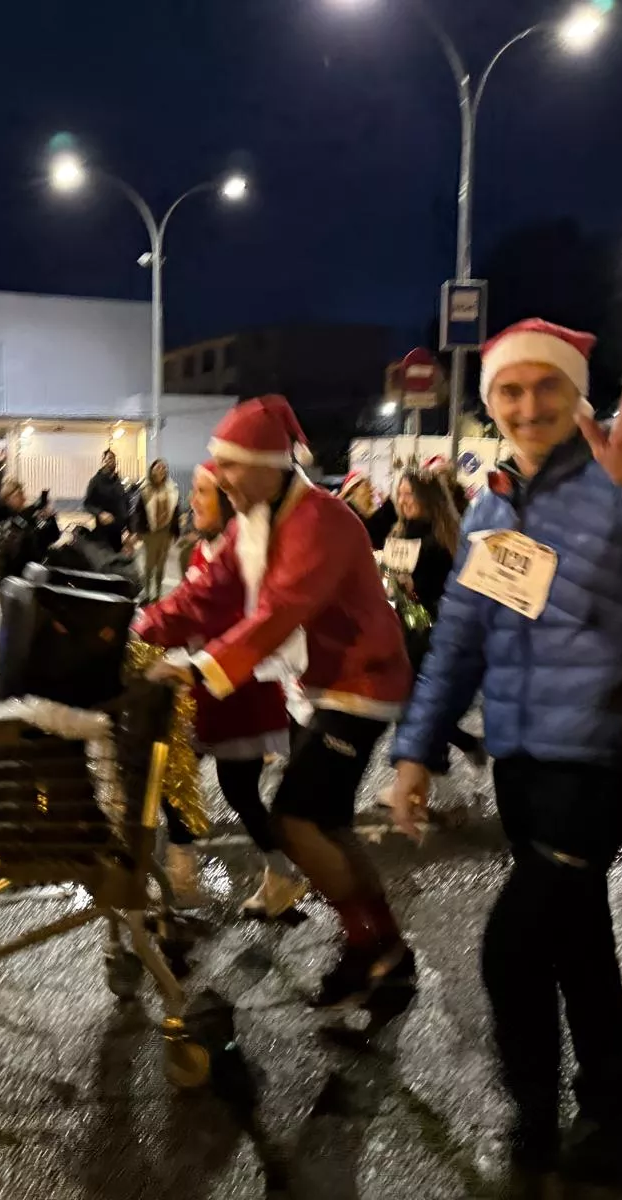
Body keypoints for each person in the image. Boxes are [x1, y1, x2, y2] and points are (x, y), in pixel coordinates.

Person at [387, 321, 622, 1195]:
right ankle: (608, 1123)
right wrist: (416, 749)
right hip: (524, 756)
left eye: (547, 386)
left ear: (577, 394)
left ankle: (533, 1116)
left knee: (512, 945)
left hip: (608, 751)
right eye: (510, 390)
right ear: (489, 403)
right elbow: (460, 641)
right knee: (576, 939)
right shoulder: (494, 505)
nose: (528, 405)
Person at [145, 395, 414, 1007]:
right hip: (326, 684)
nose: (219, 480)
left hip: (363, 684)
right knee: (326, 823)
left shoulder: (318, 519)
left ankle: (370, 947)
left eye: (230, 467)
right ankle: (384, 950)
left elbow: (279, 611)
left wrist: (196, 667)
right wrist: (137, 629)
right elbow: (206, 592)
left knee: (297, 820)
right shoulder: (256, 519)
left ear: (269, 465)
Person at [134, 461, 306, 919]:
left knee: (230, 789)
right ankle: (192, 876)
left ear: (229, 501)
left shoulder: (243, 556)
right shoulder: (203, 551)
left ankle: (196, 877)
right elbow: (187, 609)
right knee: (193, 781)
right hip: (204, 690)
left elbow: (205, 614)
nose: (192, 500)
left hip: (236, 694)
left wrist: (141, 632)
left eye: (202, 492)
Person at [379, 467, 486, 768]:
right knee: (408, 702)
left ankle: (427, 765)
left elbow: (449, 584)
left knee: (416, 702)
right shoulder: (398, 533)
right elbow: (393, 581)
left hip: (434, 629)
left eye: (410, 494)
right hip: (405, 626)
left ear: (428, 498)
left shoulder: (443, 536)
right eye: (400, 494)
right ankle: (440, 755)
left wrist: (416, 587)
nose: (404, 500)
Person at [0, 478, 61, 587]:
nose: (22, 497)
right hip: (13, 578)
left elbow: (52, 536)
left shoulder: (30, 517)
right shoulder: (5, 519)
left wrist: (50, 519)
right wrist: (36, 506)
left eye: (21, 493)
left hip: (32, 573)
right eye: (17, 495)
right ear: (7, 499)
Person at [130, 458, 181, 603]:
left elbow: (175, 512)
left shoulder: (171, 489)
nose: (161, 470)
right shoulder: (146, 490)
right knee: (149, 565)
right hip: (150, 533)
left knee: (161, 565)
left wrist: (175, 531)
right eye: (158, 468)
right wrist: (137, 531)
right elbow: (138, 512)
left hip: (166, 533)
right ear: (152, 471)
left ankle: (157, 594)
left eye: (163, 468)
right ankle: (147, 593)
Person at [83, 449, 130, 551]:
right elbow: (87, 503)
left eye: (112, 459)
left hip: (118, 533)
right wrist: (100, 513)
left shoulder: (118, 482)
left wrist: (128, 529)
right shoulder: (95, 481)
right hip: (103, 532)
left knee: (118, 557)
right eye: (107, 459)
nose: (110, 461)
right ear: (103, 462)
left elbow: (125, 503)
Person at [340, 469, 396, 545]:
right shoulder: (348, 516)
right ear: (353, 489)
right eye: (367, 485)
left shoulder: (369, 516)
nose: (371, 489)